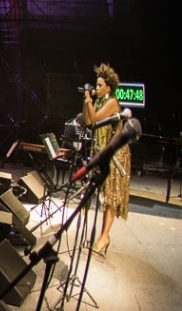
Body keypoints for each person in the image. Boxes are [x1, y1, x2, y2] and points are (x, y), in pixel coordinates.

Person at [81, 63, 131, 257]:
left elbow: (94, 119)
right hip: (105, 153)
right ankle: (103, 236)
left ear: (109, 87)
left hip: (117, 155)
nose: (97, 88)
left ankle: (104, 237)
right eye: (96, 85)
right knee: (104, 196)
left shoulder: (112, 103)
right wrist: (87, 102)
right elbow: (88, 121)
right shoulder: (100, 102)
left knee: (110, 198)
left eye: (100, 85)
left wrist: (88, 100)